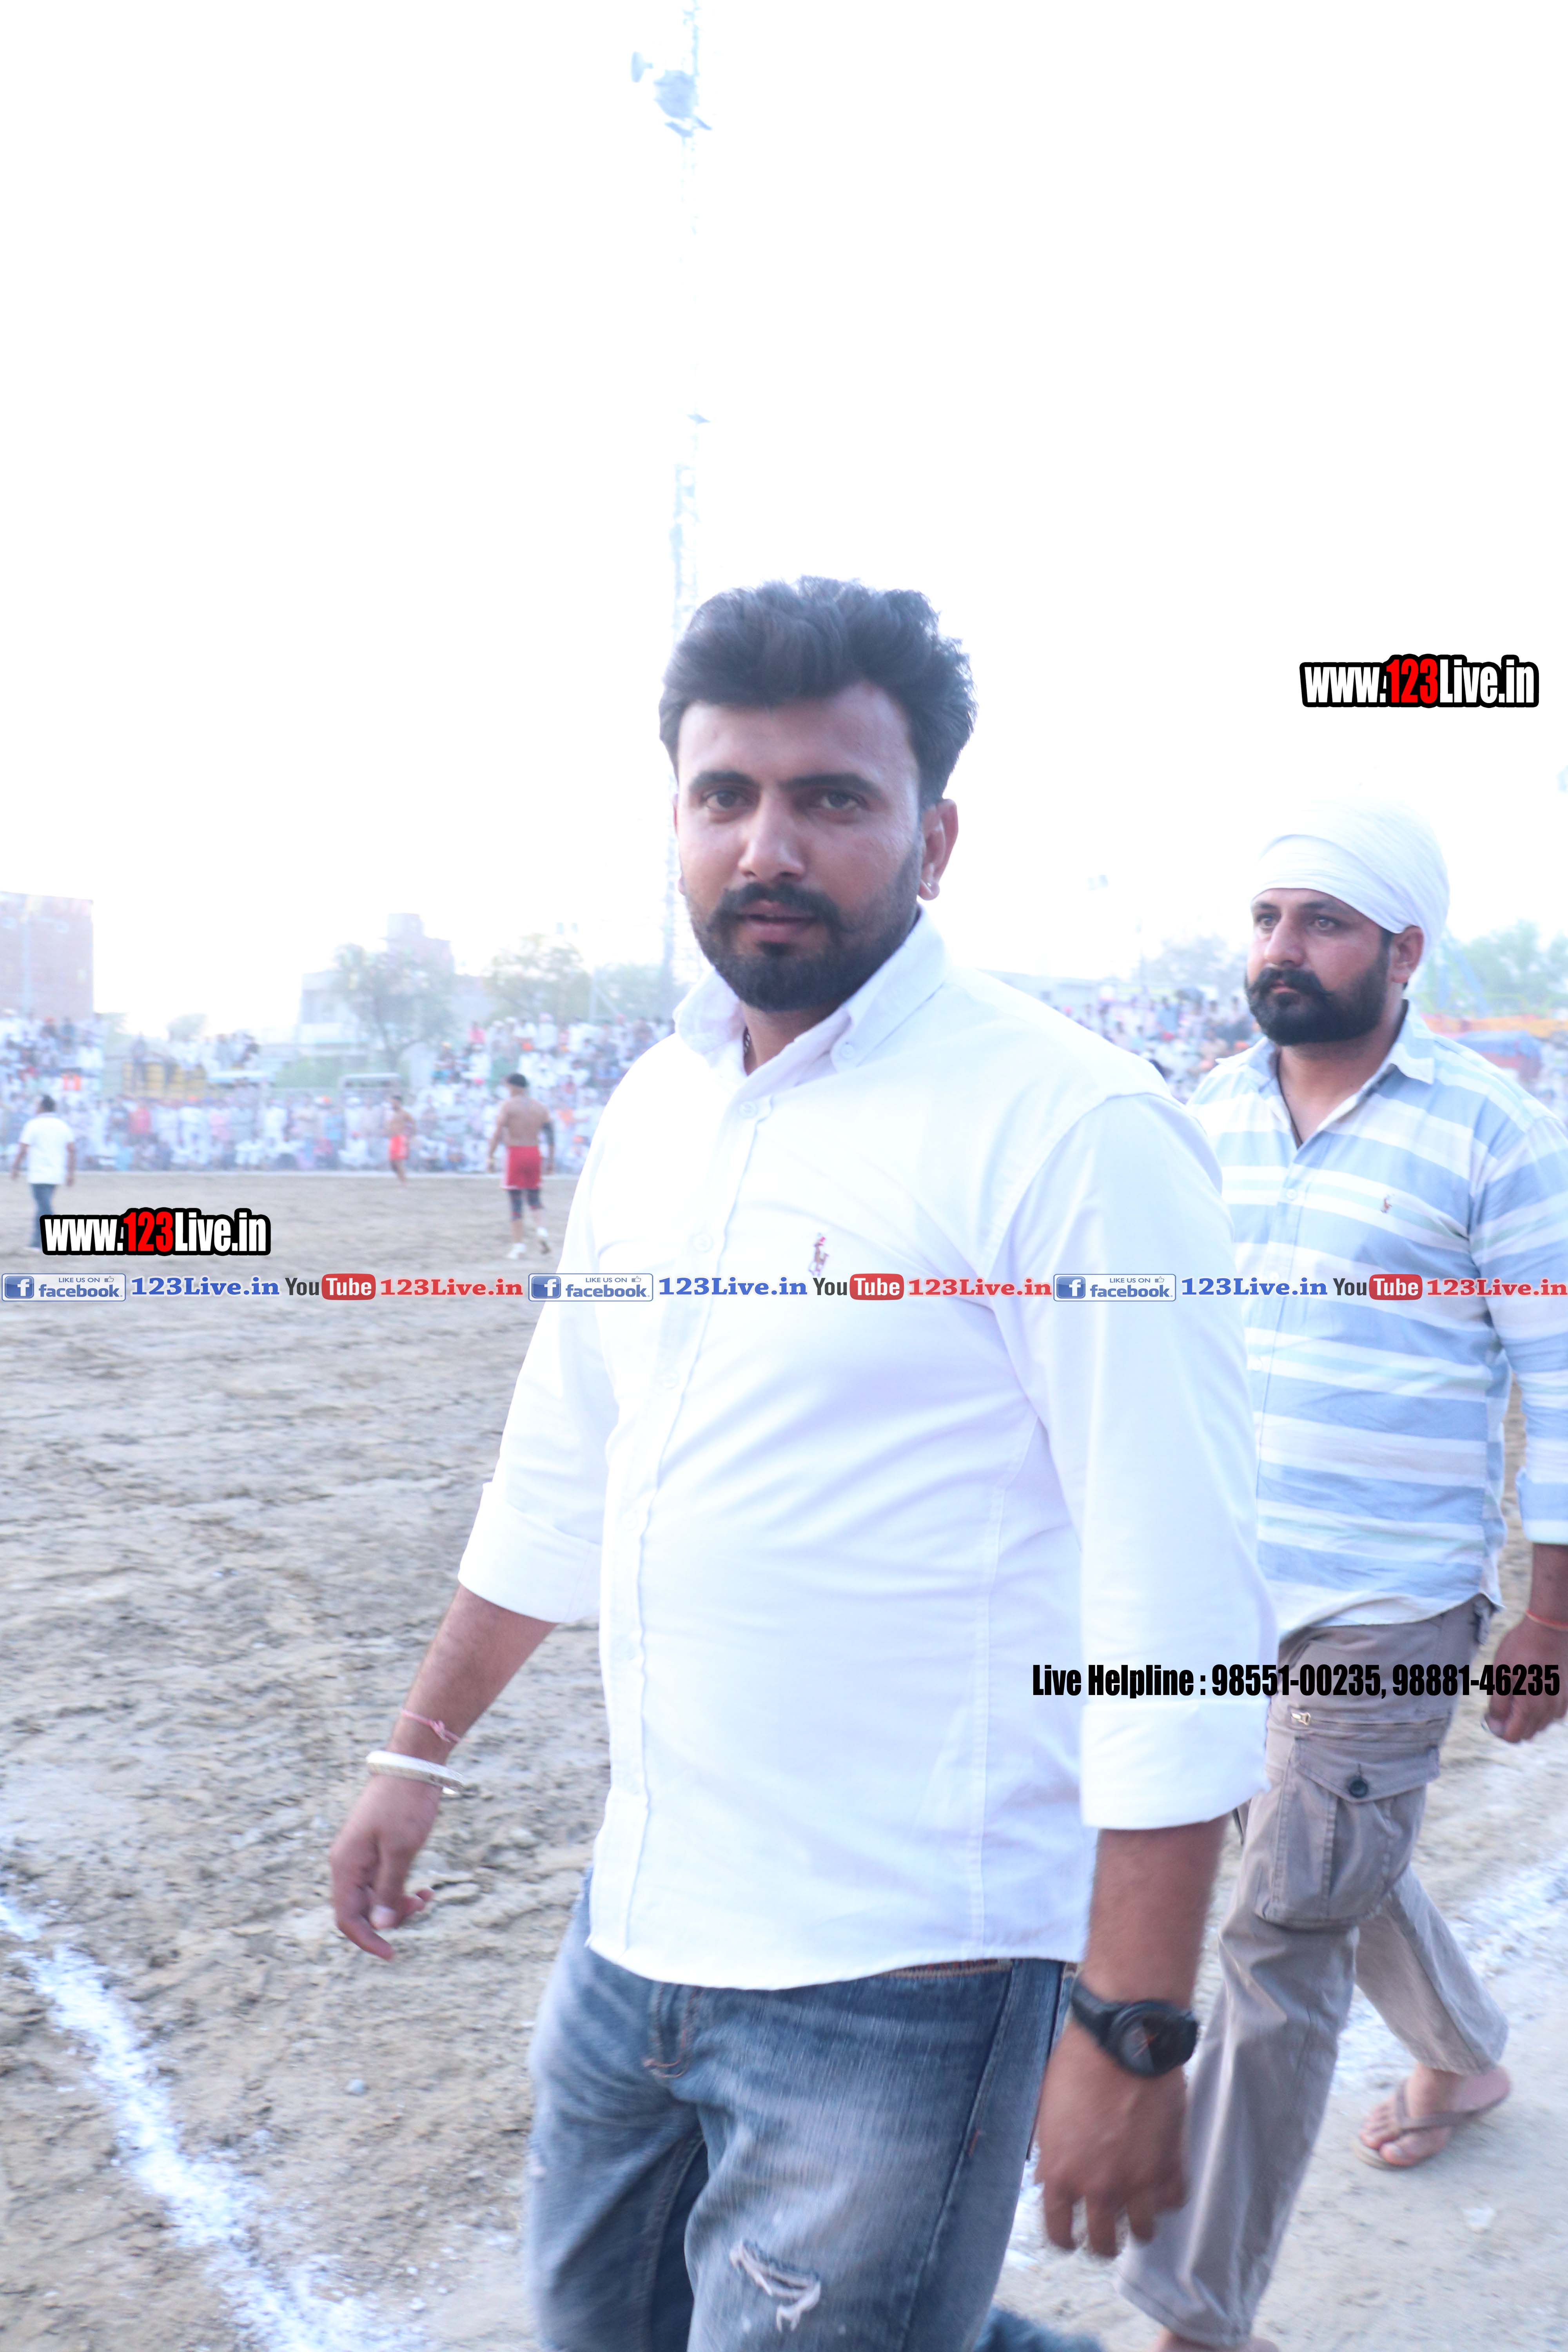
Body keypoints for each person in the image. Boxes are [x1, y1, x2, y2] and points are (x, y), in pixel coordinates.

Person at [329, 577, 1274, 2352]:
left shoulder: (1068, 1127)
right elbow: (563, 1460)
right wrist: (415, 1746)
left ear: (933, 836)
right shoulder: (657, 1105)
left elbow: (1181, 1598)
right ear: (677, 820)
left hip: (904, 1981)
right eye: (725, 794)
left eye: (830, 797)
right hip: (636, 1933)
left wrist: (1133, 2021)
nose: (767, 843)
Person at [1120, 800, 1568, 2352]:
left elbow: (1561, 1379)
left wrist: (1551, 1611)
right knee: (1315, 1851)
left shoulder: (1497, 1134)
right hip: (1217, 1587)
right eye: (1266, 919)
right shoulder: (1201, 1118)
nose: (1281, 949)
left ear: (1404, 950)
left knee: (1278, 1931)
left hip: (1392, 1601)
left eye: (1321, 922)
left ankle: (1196, 2314)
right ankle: (1465, 2049)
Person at [486, 1073, 555, 1256]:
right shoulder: (540, 1107)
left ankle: (519, 1246)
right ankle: (542, 1230)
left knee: (516, 1200)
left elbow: (498, 1133)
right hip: (534, 1152)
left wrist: (490, 1157)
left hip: (516, 1153)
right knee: (535, 1197)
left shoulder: (508, 1106)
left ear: (513, 1087)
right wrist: (551, 1160)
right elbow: (551, 1135)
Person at [10, 1091, 76, 1249]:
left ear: (42, 1107)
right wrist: (70, 1173)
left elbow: (23, 1149)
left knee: (44, 1208)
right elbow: (72, 1150)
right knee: (42, 1207)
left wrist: (16, 1167)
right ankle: (36, 1243)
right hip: (56, 1174)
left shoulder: (33, 1125)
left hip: (38, 1174)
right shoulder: (62, 1126)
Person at [386, 1096, 415, 1183]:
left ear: (399, 1103)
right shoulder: (391, 1114)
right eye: (392, 1103)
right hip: (393, 1139)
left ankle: (404, 1184)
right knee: (393, 1164)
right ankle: (402, 1180)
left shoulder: (404, 1114)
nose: (393, 1105)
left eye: (394, 1103)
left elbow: (413, 1124)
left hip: (401, 1139)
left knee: (399, 1162)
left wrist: (409, 1137)